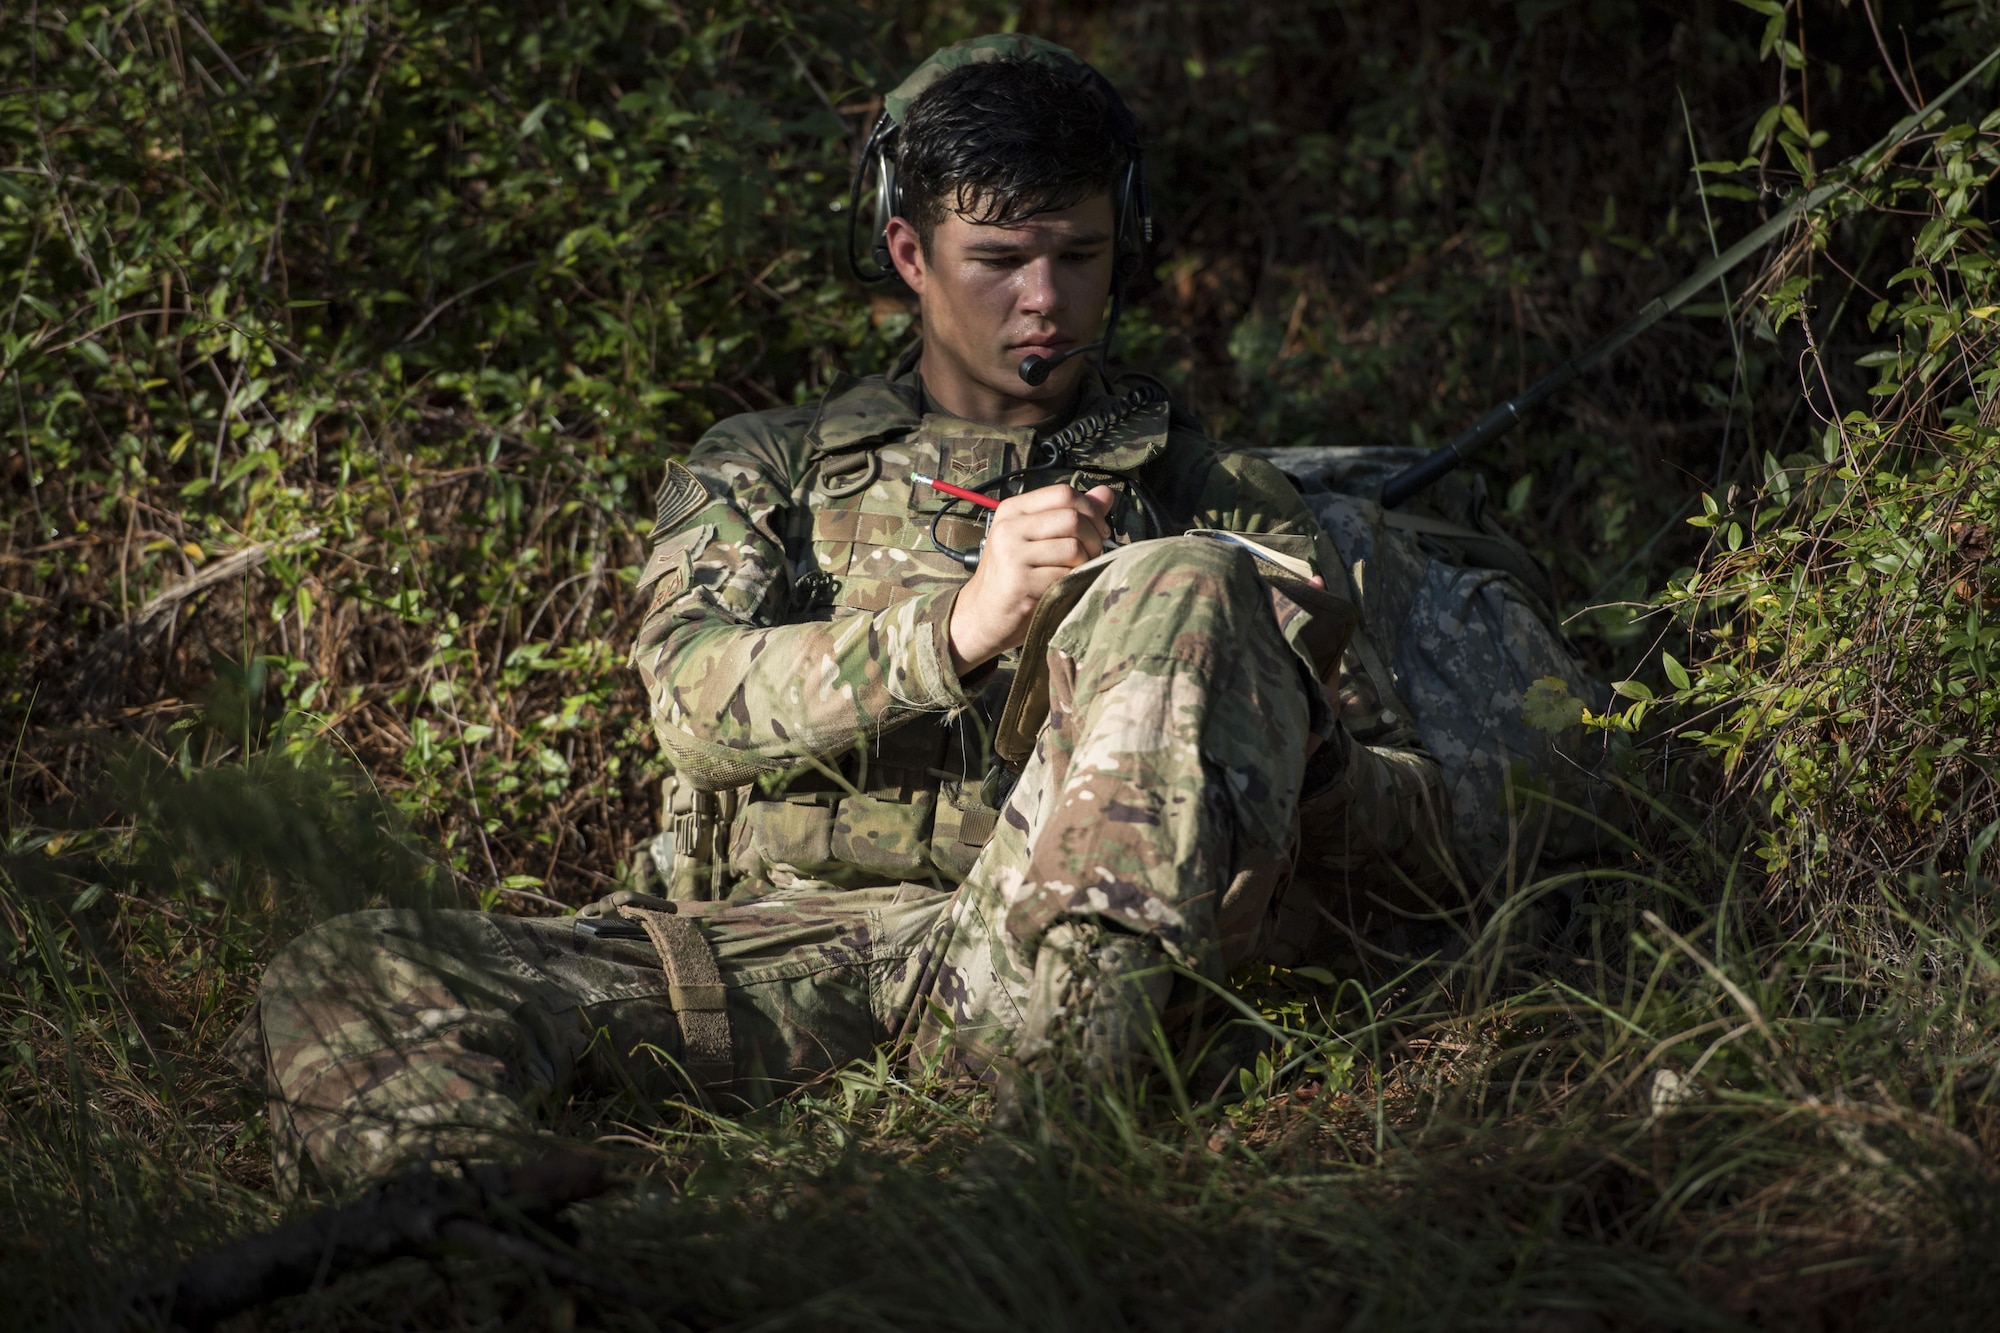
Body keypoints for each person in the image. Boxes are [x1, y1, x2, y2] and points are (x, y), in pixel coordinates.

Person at [254, 35, 1454, 1192]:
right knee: (350, 970)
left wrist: (1254, 717)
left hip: (1028, 959)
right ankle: (487, 1242)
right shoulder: (758, 468)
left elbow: (1403, 822)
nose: (1043, 300)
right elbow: (688, 705)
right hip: (757, 955)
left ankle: (1048, 1180)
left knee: (1180, 581)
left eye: (1078, 256)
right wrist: (958, 627)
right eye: (996, 257)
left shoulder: (1213, 497)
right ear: (906, 249)